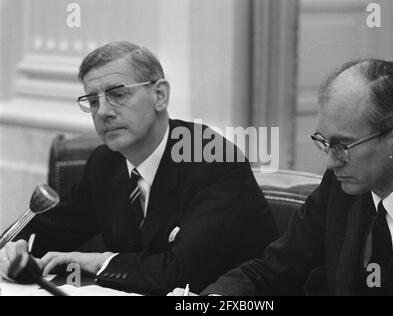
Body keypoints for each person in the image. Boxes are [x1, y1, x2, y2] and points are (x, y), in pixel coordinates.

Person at [0, 41, 279, 295]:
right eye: (93, 101)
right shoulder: (105, 162)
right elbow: (51, 228)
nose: (103, 112)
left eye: (117, 95)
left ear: (159, 95)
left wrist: (97, 261)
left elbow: (179, 274)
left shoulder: (213, 158)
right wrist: (16, 249)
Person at [170, 58, 393, 296]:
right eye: (324, 142)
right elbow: (269, 273)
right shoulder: (339, 186)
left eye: (343, 146)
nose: (330, 162)